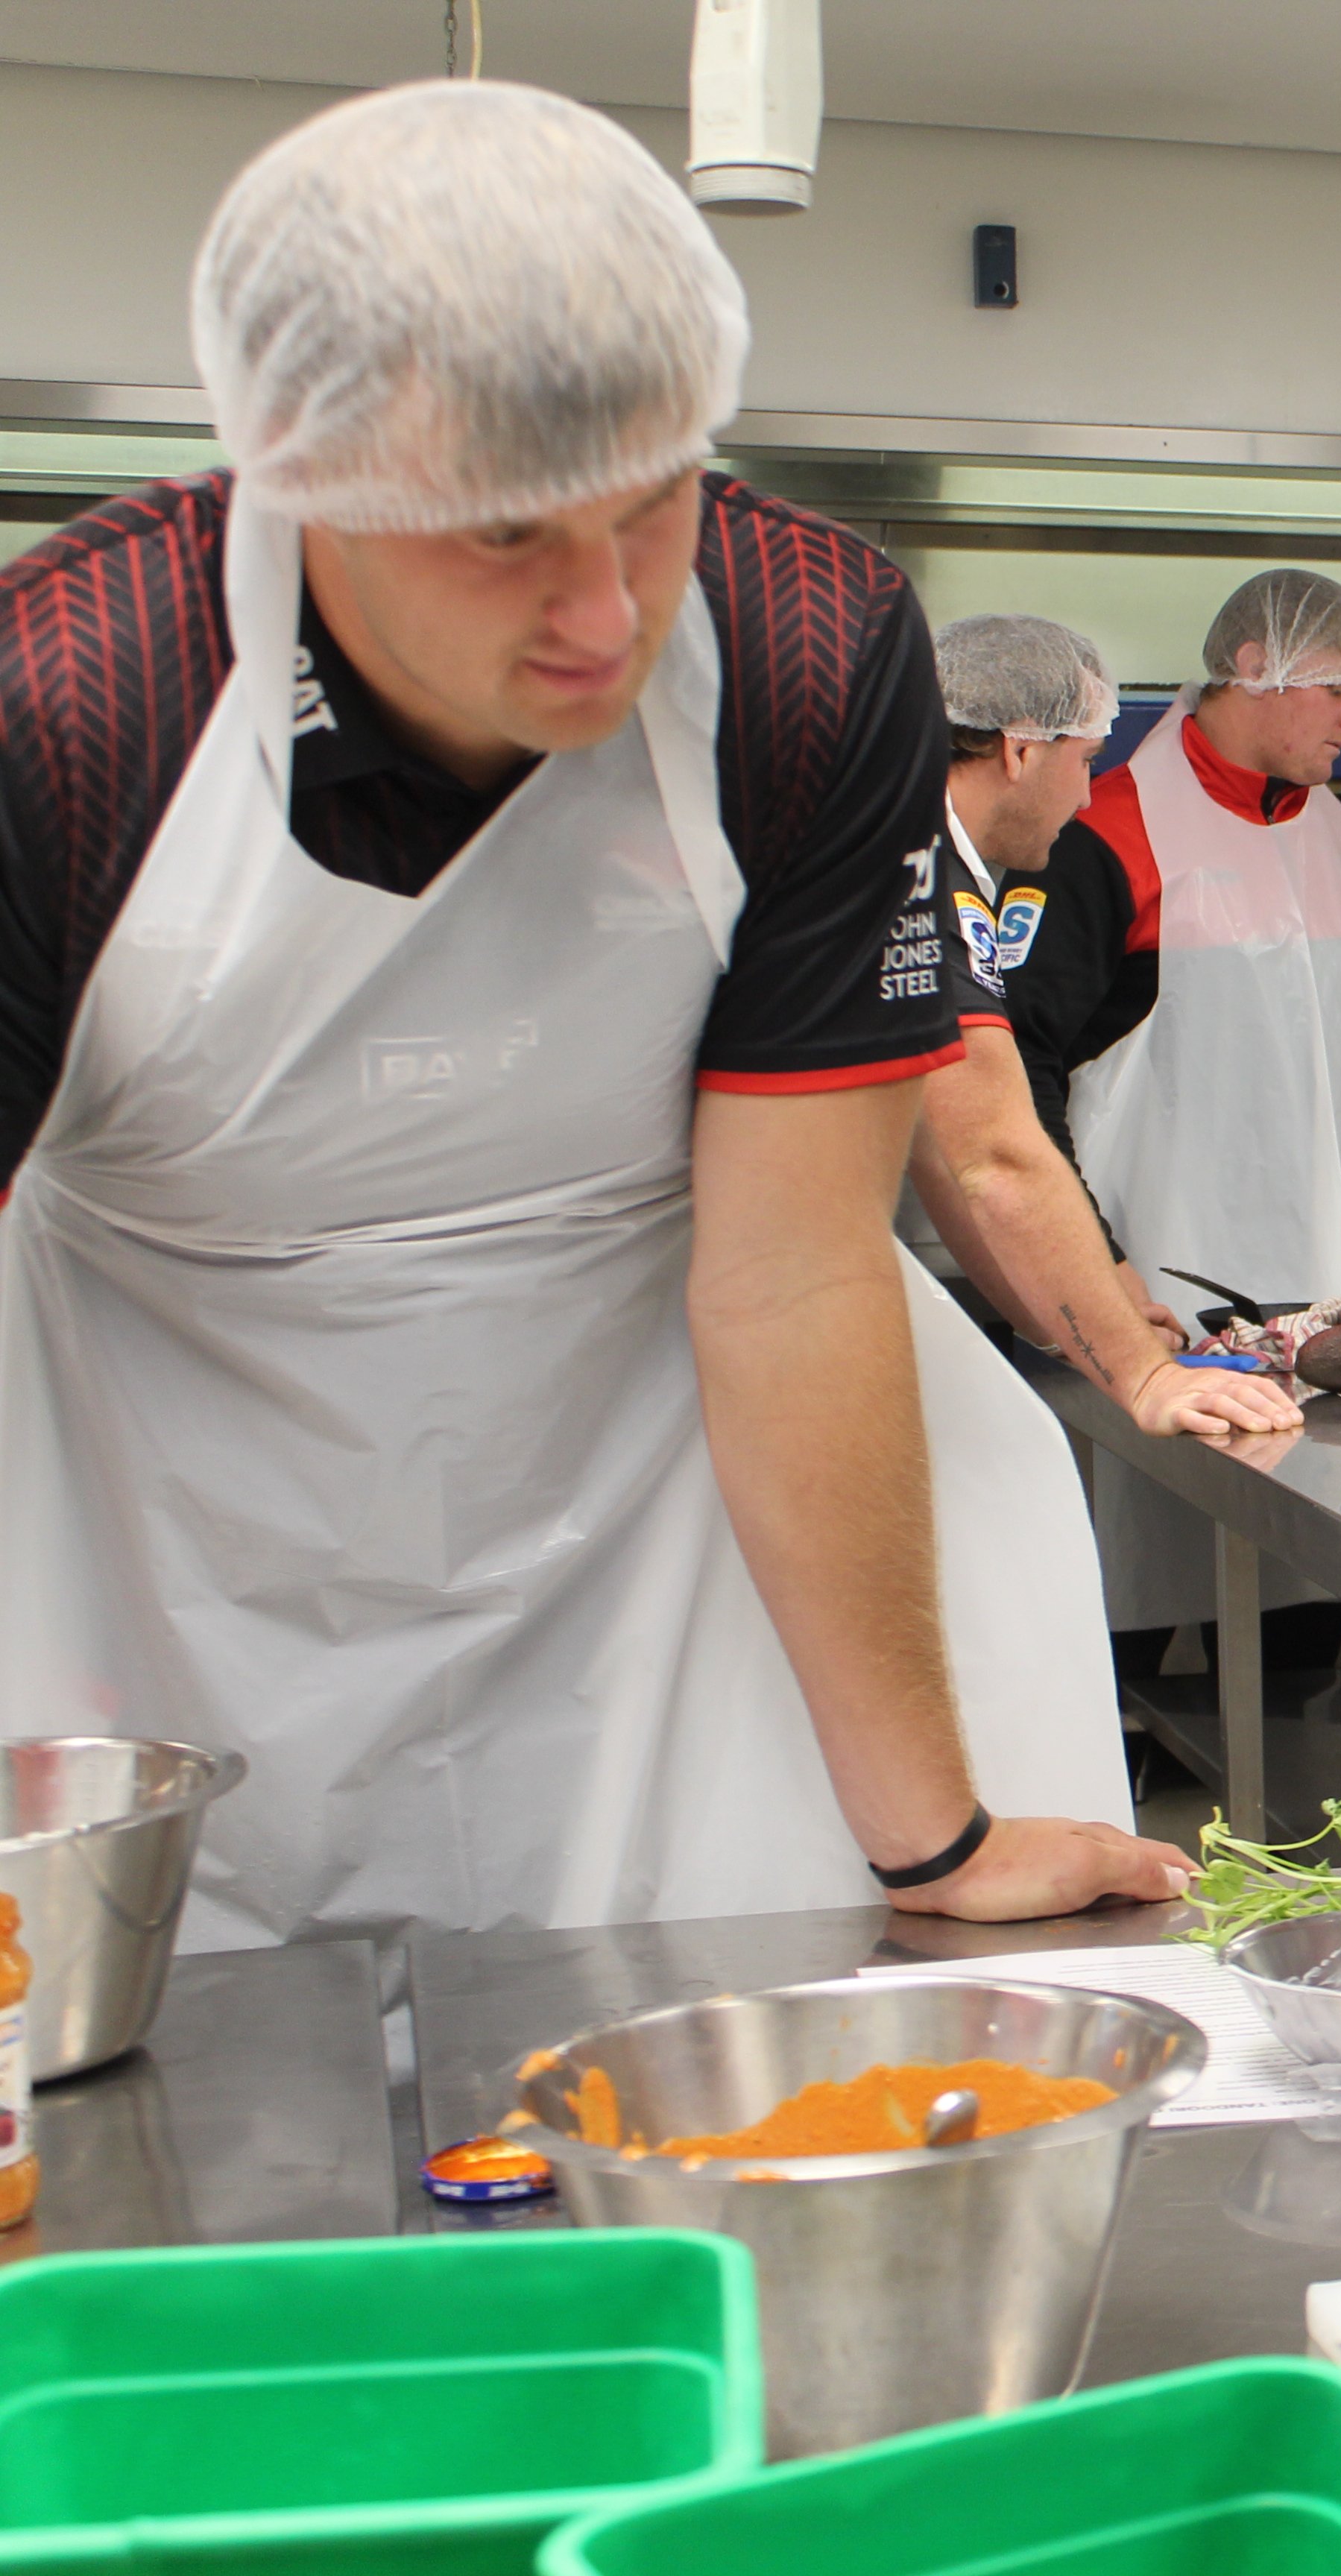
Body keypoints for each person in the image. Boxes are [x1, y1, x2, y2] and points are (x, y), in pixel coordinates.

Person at [0, 83, 1188, 1948]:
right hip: (152, 1481)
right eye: (500, 537)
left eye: (650, 508)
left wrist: (933, 1841)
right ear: (303, 486)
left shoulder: (803, 652)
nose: (602, 614)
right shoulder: (65, 709)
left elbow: (790, 1276)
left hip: (663, 1482)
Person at [994, 566, 1341, 1640]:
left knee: (1312, 1598)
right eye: (1339, 688)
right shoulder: (1108, 830)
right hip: (1163, 1295)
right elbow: (1021, 1073)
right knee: (1149, 1587)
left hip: (1331, 1304)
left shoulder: (1339, 838)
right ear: (1253, 668)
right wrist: (1096, 1263)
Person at [909, 613, 1301, 1448]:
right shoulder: (917, 880)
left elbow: (937, 1148)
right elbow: (995, 1159)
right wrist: (1144, 1375)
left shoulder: (906, 849)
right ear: (1020, 752)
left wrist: (1076, 1324)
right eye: (1086, 761)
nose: (1089, 797)